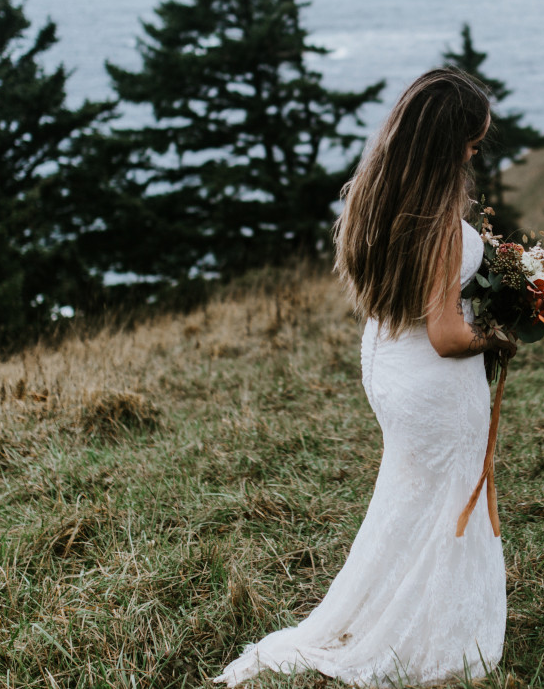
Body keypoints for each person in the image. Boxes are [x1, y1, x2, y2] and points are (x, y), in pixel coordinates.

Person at [216, 68, 516, 687]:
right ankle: (433, 640)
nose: (473, 152)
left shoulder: (376, 193)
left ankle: (387, 607)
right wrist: (505, 334)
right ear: (446, 141)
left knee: (410, 496)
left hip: (386, 362)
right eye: (470, 141)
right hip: (433, 380)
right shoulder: (438, 223)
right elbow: (447, 334)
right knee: (447, 499)